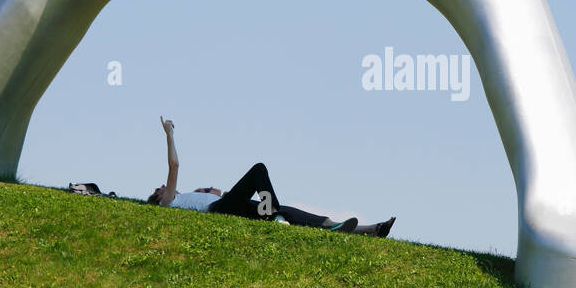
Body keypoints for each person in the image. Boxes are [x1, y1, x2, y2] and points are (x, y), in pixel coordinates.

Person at [145, 117, 395, 237]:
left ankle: (364, 230)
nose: (162, 187)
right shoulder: (169, 204)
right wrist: (169, 134)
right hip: (221, 210)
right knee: (258, 170)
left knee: (288, 211)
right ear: (158, 199)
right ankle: (276, 216)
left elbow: (215, 191)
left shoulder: (186, 199)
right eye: (158, 190)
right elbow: (174, 165)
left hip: (233, 208)